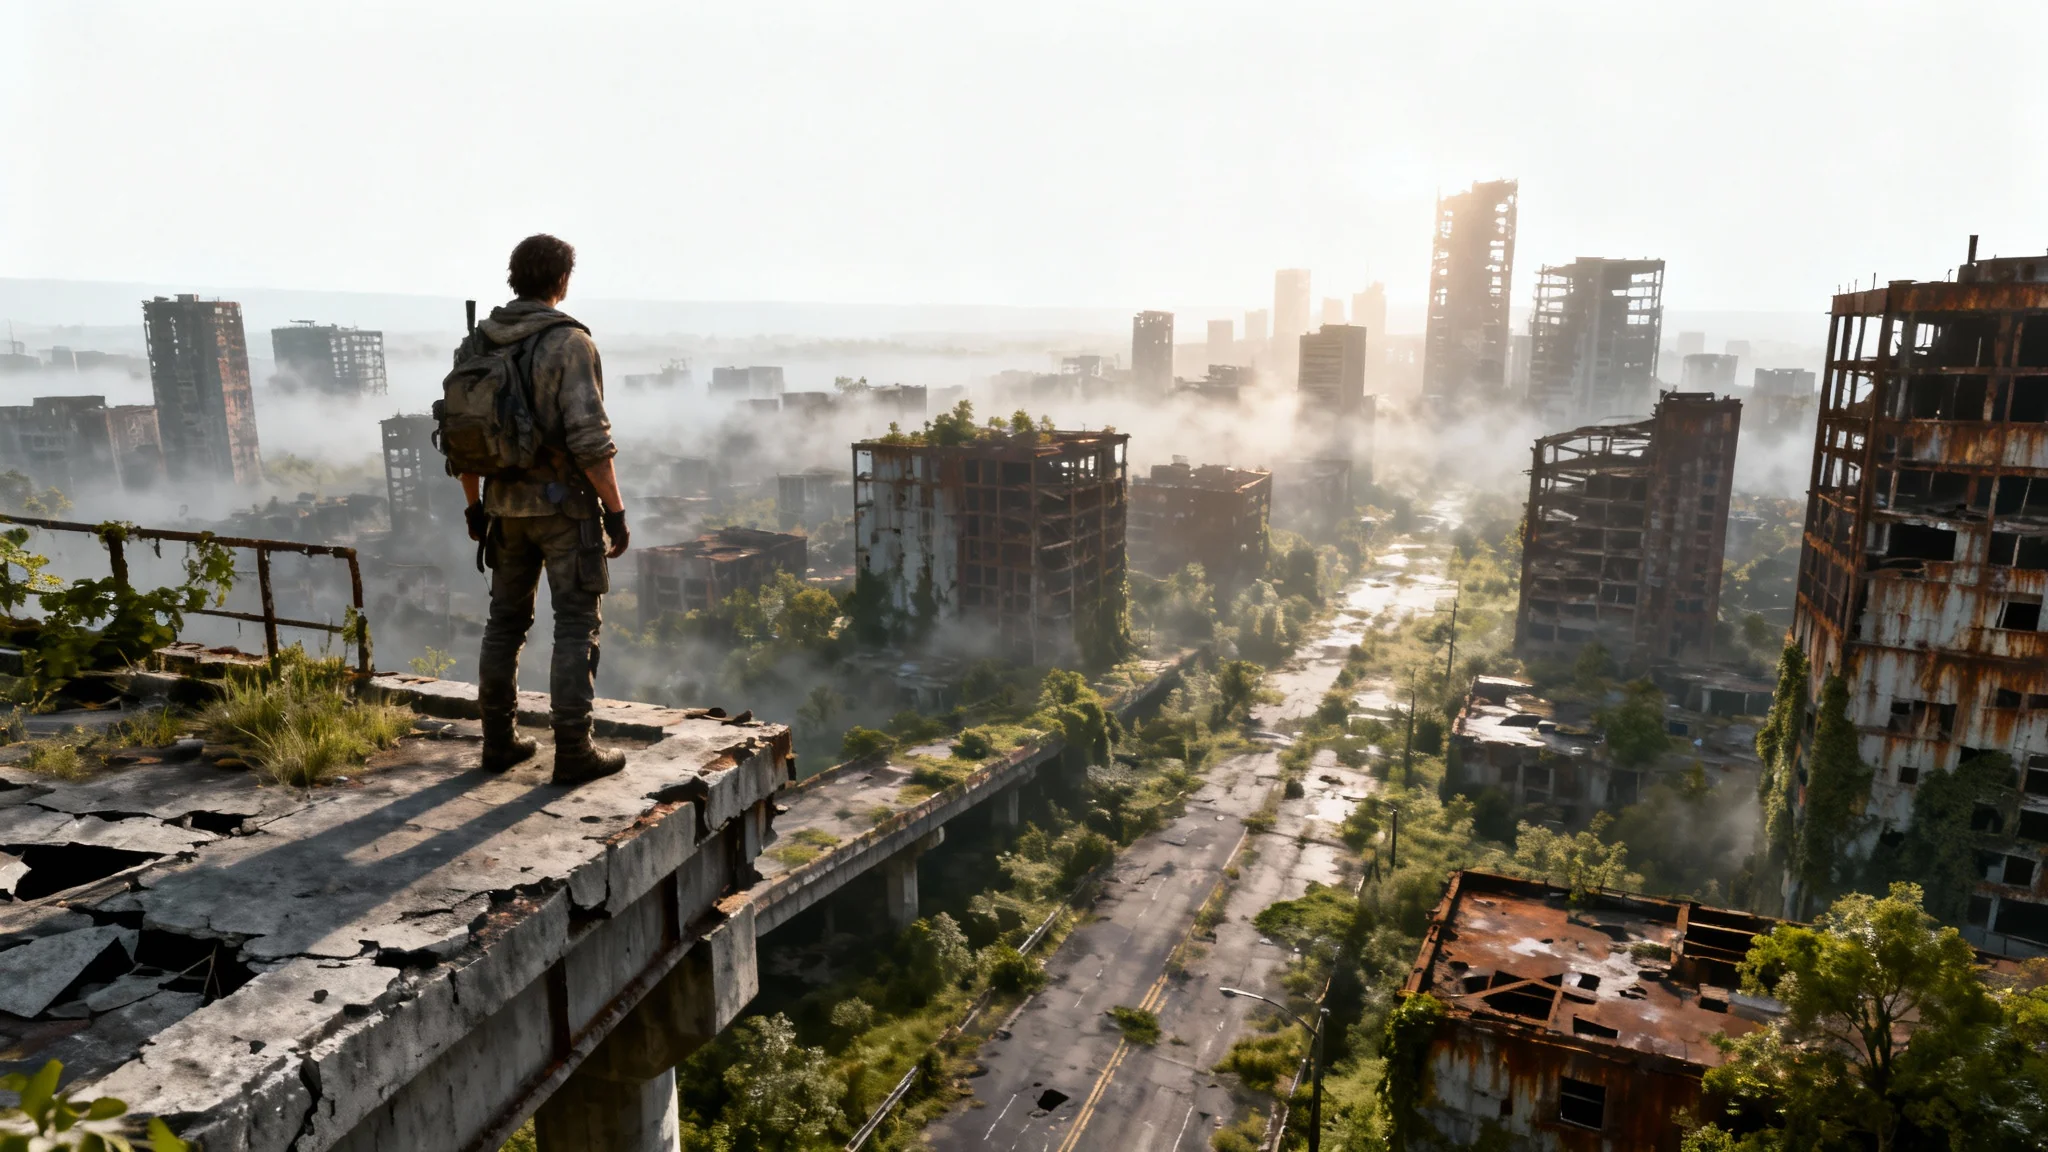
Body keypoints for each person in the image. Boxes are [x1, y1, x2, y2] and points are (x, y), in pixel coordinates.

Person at [458, 234, 631, 784]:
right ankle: (574, 751)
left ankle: (499, 742)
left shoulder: (477, 342)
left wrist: (474, 507)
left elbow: (461, 437)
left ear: (515, 277)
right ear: (562, 280)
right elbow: (590, 440)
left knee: (503, 624)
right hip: (564, 511)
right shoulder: (569, 342)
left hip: (502, 508)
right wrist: (616, 511)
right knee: (576, 626)